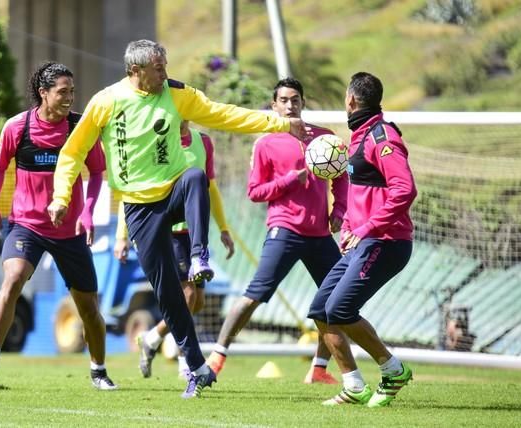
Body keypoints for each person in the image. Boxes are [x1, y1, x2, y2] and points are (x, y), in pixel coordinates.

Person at [48, 39, 312, 399]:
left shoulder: (177, 95)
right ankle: (197, 367)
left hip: (173, 192)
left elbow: (224, 113)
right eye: (159, 68)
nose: (165, 73)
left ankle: (200, 256)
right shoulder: (106, 102)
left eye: (166, 65)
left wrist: (277, 123)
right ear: (135, 71)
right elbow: (72, 152)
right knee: (169, 296)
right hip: (139, 209)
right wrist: (62, 198)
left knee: (195, 177)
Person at [0, 62, 117, 391]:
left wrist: (88, 213)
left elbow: (96, 173)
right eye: (62, 92)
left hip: (70, 232)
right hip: (27, 226)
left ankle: (98, 369)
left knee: (88, 307)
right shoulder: (17, 127)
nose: (69, 98)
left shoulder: (81, 128)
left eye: (72, 92)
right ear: (43, 93)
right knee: (12, 279)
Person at [206, 78, 347, 385]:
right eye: (283, 100)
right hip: (284, 230)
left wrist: (339, 211)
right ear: (274, 106)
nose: (289, 105)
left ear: (303, 102)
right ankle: (216, 357)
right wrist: (288, 180)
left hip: (320, 235)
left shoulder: (326, 138)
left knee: (338, 298)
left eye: (295, 99)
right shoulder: (266, 143)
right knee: (254, 296)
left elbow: (341, 178)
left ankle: (319, 369)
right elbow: (255, 192)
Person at [307, 72, 418, 407]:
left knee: (340, 309)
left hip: (387, 240)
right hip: (363, 240)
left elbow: (405, 190)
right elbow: (364, 192)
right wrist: (350, 226)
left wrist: (366, 227)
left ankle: (393, 369)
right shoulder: (359, 136)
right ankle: (354, 385)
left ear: (350, 99)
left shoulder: (381, 136)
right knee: (321, 311)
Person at [113, 120, 235, 380]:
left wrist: (224, 227)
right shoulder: (152, 142)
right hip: (170, 230)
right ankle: (186, 362)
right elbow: (134, 192)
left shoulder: (203, 142)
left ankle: (153, 337)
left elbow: (209, 187)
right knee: (188, 295)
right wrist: (121, 235)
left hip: (196, 232)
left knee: (197, 301)